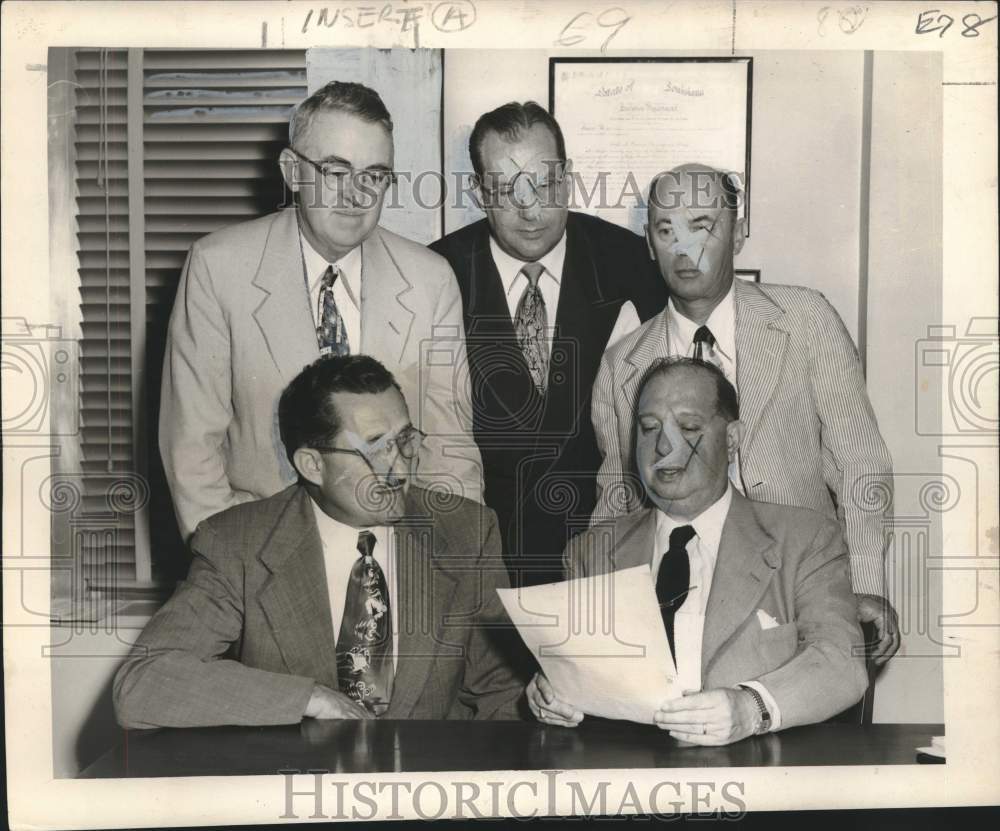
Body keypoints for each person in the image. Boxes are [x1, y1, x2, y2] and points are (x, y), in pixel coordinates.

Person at [590, 163, 899, 662]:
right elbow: (616, 504)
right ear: (648, 244)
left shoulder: (805, 322)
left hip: (804, 601)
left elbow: (861, 464)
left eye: (702, 225)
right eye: (665, 231)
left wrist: (859, 587)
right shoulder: (622, 365)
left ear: (738, 231)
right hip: (680, 619)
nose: (683, 249)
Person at [114, 355, 523, 728]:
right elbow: (143, 683)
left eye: (405, 441)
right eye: (377, 449)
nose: (400, 468)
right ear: (312, 464)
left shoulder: (466, 532)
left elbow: (502, 690)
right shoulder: (238, 544)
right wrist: (310, 698)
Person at [160, 80, 482, 541]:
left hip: (398, 543)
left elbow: (451, 447)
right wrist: (234, 566)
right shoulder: (219, 267)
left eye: (373, 175)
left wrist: (458, 560)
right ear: (293, 171)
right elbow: (192, 451)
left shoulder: (431, 279)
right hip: (262, 550)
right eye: (335, 172)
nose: (356, 196)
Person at [528, 357, 868, 744]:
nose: (663, 446)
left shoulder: (806, 538)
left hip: (758, 783)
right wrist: (550, 695)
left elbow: (842, 661)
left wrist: (750, 707)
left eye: (688, 428)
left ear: (733, 440)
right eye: (648, 428)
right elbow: (574, 681)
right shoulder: (591, 553)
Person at [430, 101, 667, 586]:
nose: (530, 209)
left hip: (608, 557)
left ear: (569, 177)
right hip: (482, 563)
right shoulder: (438, 272)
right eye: (505, 190)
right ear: (477, 192)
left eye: (545, 184)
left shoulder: (633, 266)